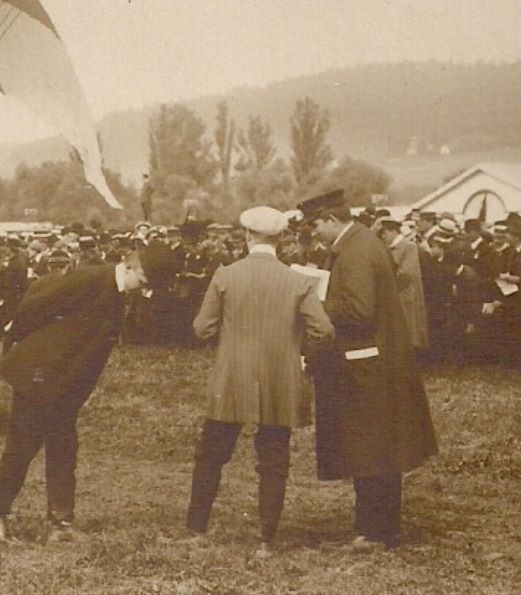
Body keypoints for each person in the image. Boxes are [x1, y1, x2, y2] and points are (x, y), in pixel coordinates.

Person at [0, 243, 177, 543]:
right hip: (38, 377)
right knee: (22, 446)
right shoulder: (88, 279)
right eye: (144, 282)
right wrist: (28, 351)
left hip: (64, 387)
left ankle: (61, 524)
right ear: (129, 266)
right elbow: (33, 306)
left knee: (63, 446)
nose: (144, 291)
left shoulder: (119, 297)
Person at [183, 207, 335, 558]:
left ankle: (196, 529)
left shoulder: (225, 275)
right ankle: (266, 539)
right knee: (273, 460)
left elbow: (201, 328)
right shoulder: (298, 281)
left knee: (211, 454)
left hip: (232, 377)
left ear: (248, 237)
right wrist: (302, 354)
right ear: (281, 240)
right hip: (280, 379)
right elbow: (324, 329)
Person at [299, 190, 438, 550]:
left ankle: (374, 531)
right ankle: (377, 527)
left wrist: (311, 301)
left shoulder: (356, 251)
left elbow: (359, 312)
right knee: (378, 448)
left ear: (332, 219)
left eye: (315, 225)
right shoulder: (360, 243)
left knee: (372, 448)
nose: (313, 233)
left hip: (366, 366)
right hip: (373, 362)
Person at [377, 217, 428, 353]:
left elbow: (407, 274)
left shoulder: (409, 246)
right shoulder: (388, 248)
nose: (383, 237)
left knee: (409, 330)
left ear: (393, 231)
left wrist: (387, 287)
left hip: (405, 293)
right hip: (395, 294)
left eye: (384, 233)